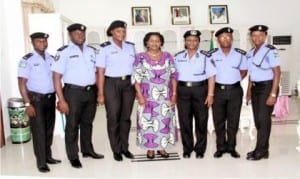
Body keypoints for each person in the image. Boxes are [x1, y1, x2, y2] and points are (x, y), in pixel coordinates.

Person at [52, 23, 104, 169]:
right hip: (73, 93)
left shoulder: (92, 50)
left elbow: (96, 72)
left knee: (88, 123)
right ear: (70, 35)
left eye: (82, 34)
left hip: (90, 92)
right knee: (72, 125)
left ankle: (87, 150)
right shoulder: (63, 52)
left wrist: (99, 92)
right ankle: (73, 156)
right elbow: (56, 77)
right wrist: (61, 100)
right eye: (76, 34)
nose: (80, 36)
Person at [17, 32, 61, 173]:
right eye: (38, 41)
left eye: (44, 41)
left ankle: (48, 157)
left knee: (49, 130)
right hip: (36, 100)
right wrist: (27, 104)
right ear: (33, 43)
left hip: (50, 98)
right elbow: (22, 83)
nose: (42, 43)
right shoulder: (27, 60)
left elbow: (57, 78)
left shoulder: (52, 58)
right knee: (39, 132)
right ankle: (41, 162)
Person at [133, 32, 178, 159]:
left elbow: (174, 76)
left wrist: (174, 94)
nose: (154, 43)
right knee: (147, 121)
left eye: (157, 41)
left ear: (161, 43)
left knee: (165, 122)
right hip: (147, 96)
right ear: (146, 43)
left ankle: (162, 147)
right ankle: (150, 148)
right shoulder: (140, 57)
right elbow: (136, 78)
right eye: (151, 41)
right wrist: (139, 95)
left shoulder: (168, 56)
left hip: (165, 96)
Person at [96, 20, 136, 161]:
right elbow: (100, 71)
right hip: (111, 83)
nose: (122, 34)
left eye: (124, 31)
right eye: (118, 31)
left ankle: (125, 148)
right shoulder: (104, 48)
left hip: (128, 84)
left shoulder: (131, 47)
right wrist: (100, 93)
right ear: (111, 32)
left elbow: (135, 68)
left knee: (125, 117)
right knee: (113, 117)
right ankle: (116, 150)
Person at [174, 30, 216, 159]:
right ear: (185, 42)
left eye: (195, 40)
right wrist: (174, 92)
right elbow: (174, 77)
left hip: (200, 90)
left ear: (198, 42)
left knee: (201, 121)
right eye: (189, 40)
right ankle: (187, 149)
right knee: (185, 121)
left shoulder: (206, 56)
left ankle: (200, 150)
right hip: (183, 91)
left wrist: (210, 94)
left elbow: (211, 76)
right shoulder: (177, 56)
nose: (192, 42)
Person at [210, 27, 248, 159]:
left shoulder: (240, 54)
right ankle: (220, 147)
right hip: (217, 91)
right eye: (222, 37)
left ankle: (232, 147)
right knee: (218, 120)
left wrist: (232, 80)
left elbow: (244, 71)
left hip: (235, 90)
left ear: (232, 39)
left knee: (233, 120)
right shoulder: (212, 54)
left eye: (228, 37)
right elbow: (209, 73)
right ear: (218, 39)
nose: (225, 39)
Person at [246, 25, 281, 160]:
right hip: (255, 88)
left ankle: (260, 150)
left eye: (260, 35)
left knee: (263, 119)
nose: (257, 38)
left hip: (267, 87)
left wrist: (273, 94)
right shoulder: (250, 53)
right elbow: (251, 74)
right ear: (251, 37)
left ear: (265, 36)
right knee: (258, 120)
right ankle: (263, 150)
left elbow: (277, 72)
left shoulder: (270, 51)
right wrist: (249, 90)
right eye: (254, 35)